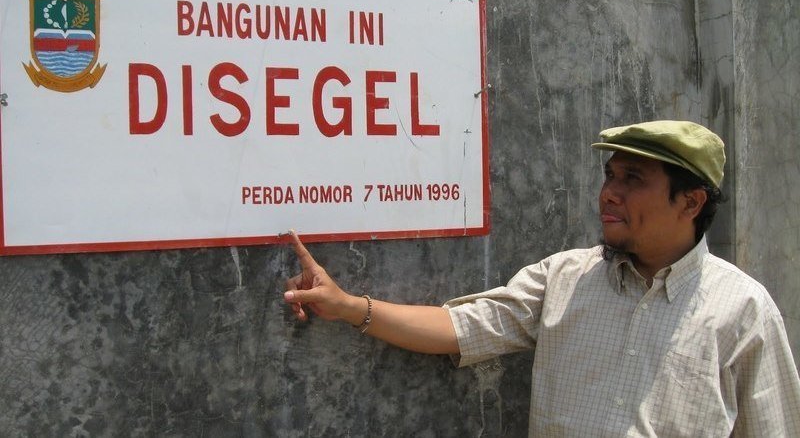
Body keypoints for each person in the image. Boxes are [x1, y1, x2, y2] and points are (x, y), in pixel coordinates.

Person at [283, 120, 800, 437]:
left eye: (633, 180)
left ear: (690, 202)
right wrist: (348, 306)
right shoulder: (566, 277)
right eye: (610, 175)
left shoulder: (742, 311)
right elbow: (460, 328)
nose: (609, 193)